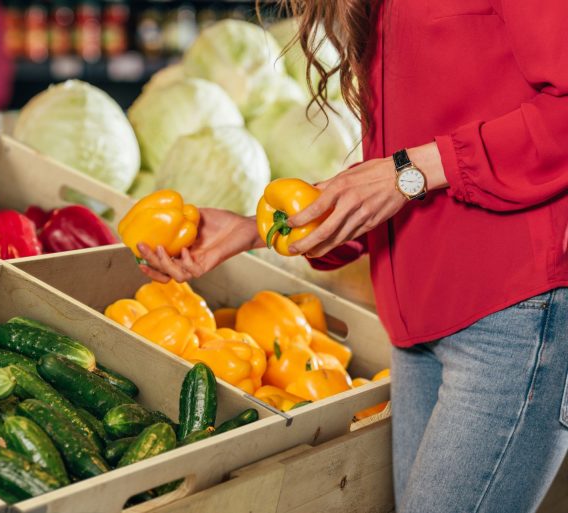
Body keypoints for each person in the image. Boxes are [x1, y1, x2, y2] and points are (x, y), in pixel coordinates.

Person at [137, 1, 568, 512]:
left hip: (515, 318)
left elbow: (414, 168)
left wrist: (413, 171)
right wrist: (258, 230)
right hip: (415, 328)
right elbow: (401, 165)